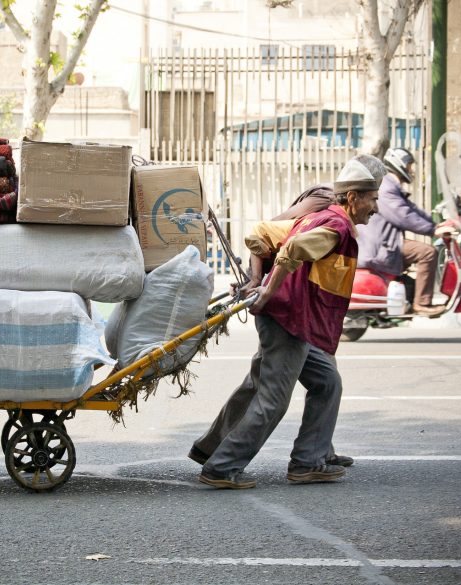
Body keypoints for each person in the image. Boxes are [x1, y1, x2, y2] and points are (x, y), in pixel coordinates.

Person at [188, 154, 388, 473]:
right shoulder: (336, 225)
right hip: (288, 319)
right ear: (353, 197)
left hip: (292, 320)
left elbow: (258, 236)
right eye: (373, 199)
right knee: (273, 399)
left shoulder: (321, 217)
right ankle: (222, 467)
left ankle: (308, 458)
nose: (376, 208)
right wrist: (266, 289)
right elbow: (292, 250)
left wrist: (260, 281)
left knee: (326, 382)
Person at [357, 148, 444, 316]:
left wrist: (438, 225)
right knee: (427, 252)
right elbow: (403, 216)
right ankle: (422, 303)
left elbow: (412, 210)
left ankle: (410, 297)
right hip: (381, 246)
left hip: (387, 241)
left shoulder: (391, 185)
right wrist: (433, 230)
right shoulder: (386, 187)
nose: (411, 170)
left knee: (421, 252)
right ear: (400, 164)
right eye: (410, 166)